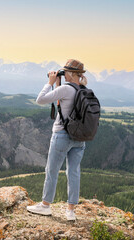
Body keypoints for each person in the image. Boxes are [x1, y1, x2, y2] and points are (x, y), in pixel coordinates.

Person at [27, 59, 88, 221]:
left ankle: (46, 206)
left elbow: (40, 100)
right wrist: (58, 85)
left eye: (64, 72)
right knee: (73, 172)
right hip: (80, 137)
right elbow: (62, 104)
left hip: (62, 135)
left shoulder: (65, 89)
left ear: (70, 73)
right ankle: (71, 211)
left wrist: (50, 82)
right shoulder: (83, 89)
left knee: (52, 171)